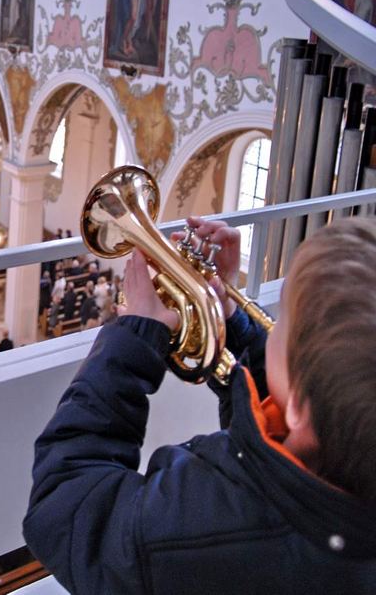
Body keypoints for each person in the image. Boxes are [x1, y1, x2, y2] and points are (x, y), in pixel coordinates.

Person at [23, 216, 376, 593]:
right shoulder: (340, 444)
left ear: (300, 408)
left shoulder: (198, 526)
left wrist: (133, 338)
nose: (271, 324)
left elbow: (64, 505)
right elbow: (301, 408)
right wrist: (229, 319)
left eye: (284, 319)